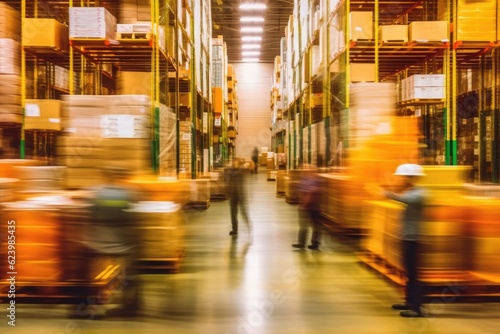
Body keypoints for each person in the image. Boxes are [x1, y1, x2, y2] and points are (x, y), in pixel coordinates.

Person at [81, 166, 141, 316]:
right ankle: (130, 304)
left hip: (97, 243)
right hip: (123, 244)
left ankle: (88, 303)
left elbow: (89, 215)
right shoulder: (128, 193)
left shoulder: (96, 192)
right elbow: (134, 219)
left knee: (85, 269)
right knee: (132, 269)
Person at [384, 163, 427, 318]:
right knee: (408, 272)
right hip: (406, 237)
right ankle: (409, 302)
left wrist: (385, 193)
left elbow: (403, 199)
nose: (400, 179)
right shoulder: (412, 191)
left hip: (413, 239)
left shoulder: (420, 193)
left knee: (413, 274)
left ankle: (417, 308)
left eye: (402, 177)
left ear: (410, 178)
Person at [292, 165, 323, 250]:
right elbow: (301, 191)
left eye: (307, 169)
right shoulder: (304, 179)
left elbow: (311, 193)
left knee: (315, 226)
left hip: (313, 207)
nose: (305, 171)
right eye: (304, 169)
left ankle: (315, 243)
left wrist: (304, 203)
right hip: (305, 206)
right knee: (303, 226)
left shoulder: (315, 179)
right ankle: (301, 243)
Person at [225, 159, 252, 236]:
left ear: (238, 164)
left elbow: (250, 166)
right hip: (233, 195)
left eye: (235, 162)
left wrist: (244, 165)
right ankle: (234, 230)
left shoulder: (242, 171)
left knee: (243, 213)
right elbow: (228, 178)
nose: (233, 164)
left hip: (241, 195)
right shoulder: (230, 172)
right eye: (233, 162)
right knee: (233, 214)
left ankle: (248, 226)